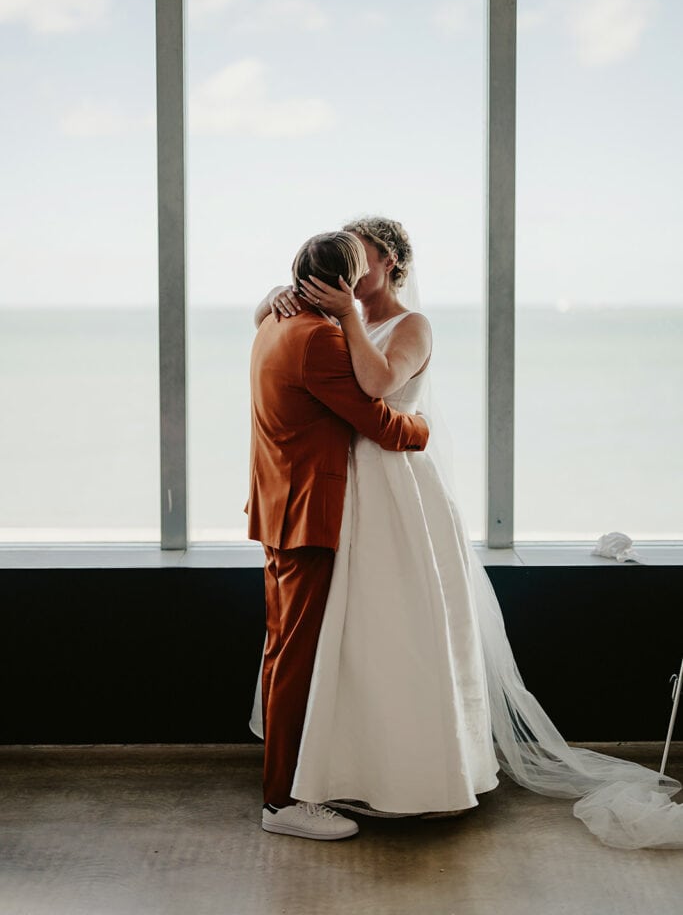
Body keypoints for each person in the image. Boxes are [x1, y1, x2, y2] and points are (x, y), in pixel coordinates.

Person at [252, 216, 683, 849]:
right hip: (346, 492)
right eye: (345, 263)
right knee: (350, 638)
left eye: (363, 260)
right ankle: (334, 769)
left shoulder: (409, 325)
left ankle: (414, 773)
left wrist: (347, 323)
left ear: (391, 264)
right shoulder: (323, 322)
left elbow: (377, 390)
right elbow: (310, 361)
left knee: (402, 631)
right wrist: (281, 299)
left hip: (396, 491)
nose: (350, 273)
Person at [247, 229, 430, 841]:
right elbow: (375, 419)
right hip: (308, 512)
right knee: (298, 656)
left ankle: (292, 778)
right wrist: (423, 429)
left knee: (282, 650)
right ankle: (282, 804)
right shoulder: (321, 338)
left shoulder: (274, 324)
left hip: (278, 506)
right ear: (345, 282)